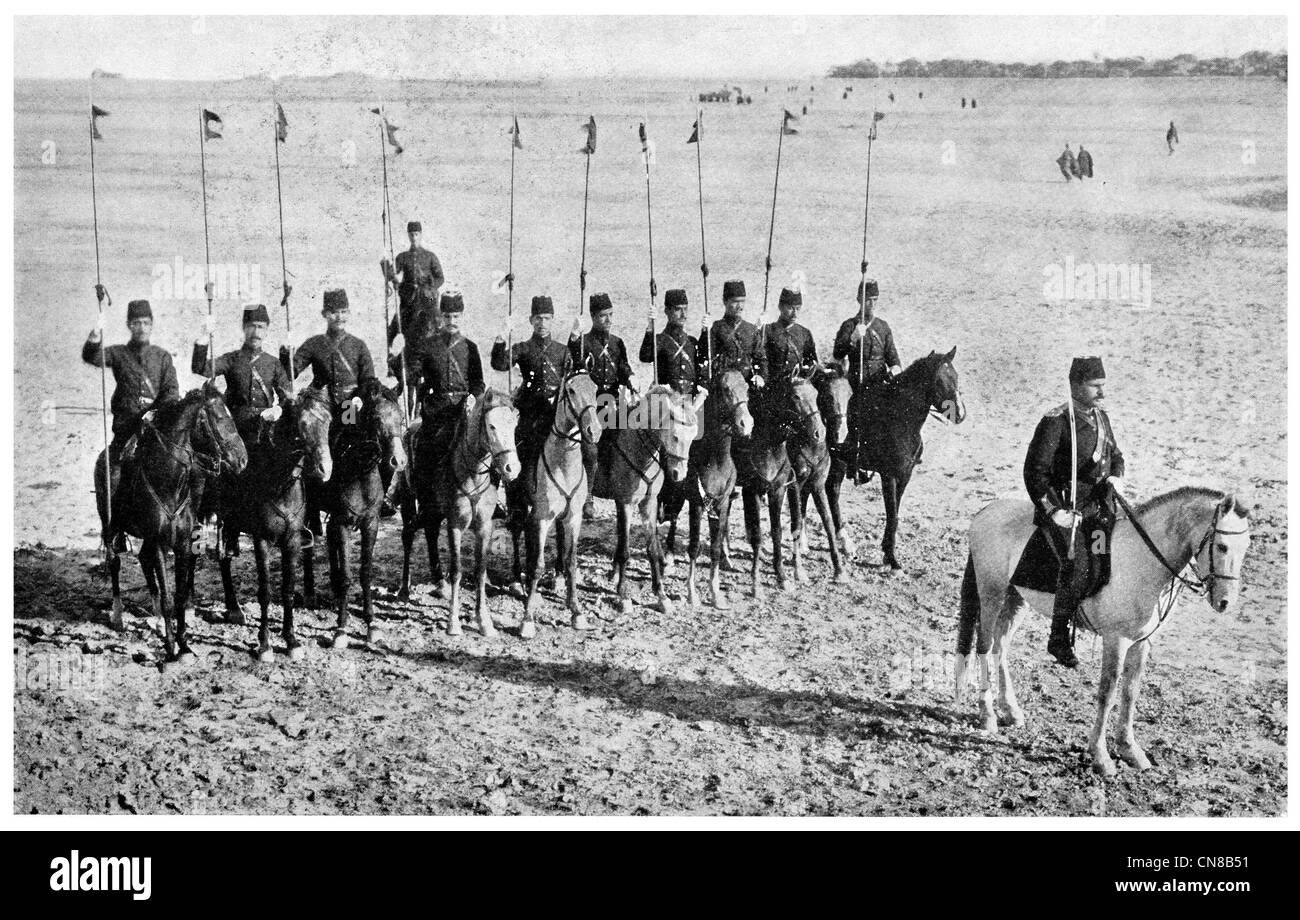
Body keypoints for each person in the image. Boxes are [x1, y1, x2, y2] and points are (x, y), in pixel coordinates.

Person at [1023, 356, 1126, 668]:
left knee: (1109, 555)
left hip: (1097, 509)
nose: (1102, 393)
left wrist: (1116, 476)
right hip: (1067, 509)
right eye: (1096, 387)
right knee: (1080, 564)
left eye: (1103, 387)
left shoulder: (1101, 417)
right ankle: (1058, 637)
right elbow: (1035, 472)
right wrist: (1054, 511)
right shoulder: (1055, 422)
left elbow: (1116, 454)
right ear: (1076, 386)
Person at [382, 289, 485, 516]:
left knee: (486, 446)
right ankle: (420, 500)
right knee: (424, 449)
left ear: (462, 316)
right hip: (437, 412)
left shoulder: (471, 347)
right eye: (447, 316)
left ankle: (491, 497)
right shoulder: (428, 346)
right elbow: (411, 376)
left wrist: (472, 397)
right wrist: (398, 356)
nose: (452, 321)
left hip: (465, 412)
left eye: (456, 316)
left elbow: (478, 383)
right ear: (441, 316)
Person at [82, 298, 180, 521]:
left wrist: (155, 412)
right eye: (136, 323)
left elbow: (172, 391)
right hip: (127, 431)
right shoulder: (118, 354)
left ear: (152, 324)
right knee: (112, 473)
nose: (141, 327)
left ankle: (191, 529)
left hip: (157, 431)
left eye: (146, 322)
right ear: (129, 325)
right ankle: (114, 527)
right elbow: (92, 357)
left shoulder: (162, 356)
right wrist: (97, 331)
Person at [492, 294, 569, 503]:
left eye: (546, 318)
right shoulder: (523, 348)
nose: (542, 323)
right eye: (538, 319)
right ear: (531, 320)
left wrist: (577, 337)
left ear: (552, 320)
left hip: (555, 416)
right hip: (530, 416)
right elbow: (499, 364)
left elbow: (575, 378)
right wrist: (501, 335)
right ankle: (516, 503)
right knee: (518, 449)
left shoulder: (563, 351)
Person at [571, 292, 636, 518]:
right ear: (592, 317)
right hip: (592, 403)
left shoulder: (618, 342)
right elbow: (575, 367)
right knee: (590, 448)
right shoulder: (583, 342)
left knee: (632, 438)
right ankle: (588, 496)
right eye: (602, 316)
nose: (608, 320)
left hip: (613, 403)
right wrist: (573, 337)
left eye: (610, 315)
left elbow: (623, 367)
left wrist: (631, 377)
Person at [192, 303, 291, 447]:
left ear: (267, 331)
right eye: (251, 326)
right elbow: (201, 368)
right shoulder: (231, 359)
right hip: (235, 432)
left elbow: (287, 395)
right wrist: (204, 336)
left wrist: (278, 409)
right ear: (244, 328)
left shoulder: (273, 363)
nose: (256, 332)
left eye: (261, 327)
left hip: (266, 430)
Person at [832, 279, 901, 478]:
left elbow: (893, 358)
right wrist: (853, 338)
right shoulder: (849, 325)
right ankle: (854, 459)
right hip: (856, 381)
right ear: (859, 300)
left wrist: (894, 370)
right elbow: (837, 353)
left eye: (874, 300)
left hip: (879, 381)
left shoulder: (883, 327)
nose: (871, 304)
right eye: (867, 300)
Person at [281, 289, 377, 412]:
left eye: (343, 312)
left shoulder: (358, 345)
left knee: (349, 426)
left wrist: (358, 398)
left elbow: (368, 379)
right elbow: (290, 373)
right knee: (309, 423)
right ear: (324, 314)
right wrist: (286, 356)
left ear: (349, 313)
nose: (339, 317)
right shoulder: (314, 343)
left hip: (349, 402)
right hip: (320, 401)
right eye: (333, 312)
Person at [754, 287, 818, 413]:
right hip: (773, 392)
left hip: (797, 393)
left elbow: (812, 361)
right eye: (790, 308)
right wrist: (757, 329)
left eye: (798, 308)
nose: (795, 313)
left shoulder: (804, 333)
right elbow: (757, 356)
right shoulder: (767, 330)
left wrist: (807, 370)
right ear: (780, 307)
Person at [382, 220, 444, 350]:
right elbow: (392, 274)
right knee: (395, 326)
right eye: (411, 234)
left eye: (416, 234)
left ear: (420, 235)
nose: (414, 237)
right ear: (408, 236)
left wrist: (431, 288)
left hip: (427, 300)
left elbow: (440, 278)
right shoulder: (403, 257)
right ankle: (392, 355)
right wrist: (385, 266)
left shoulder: (430, 256)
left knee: (438, 324)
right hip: (409, 298)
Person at [699, 279, 761, 385]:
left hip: (747, 384)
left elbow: (761, 358)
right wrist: (705, 331)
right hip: (723, 386)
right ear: (725, 301)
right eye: (735, 301)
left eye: (742, 301)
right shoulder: (716, 328)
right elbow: (704, 354)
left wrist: (760, 376)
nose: (740, 306)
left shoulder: (751, 329)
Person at [639, 289, 699, 396]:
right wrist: (650, 326)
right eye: (678, 309)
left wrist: (705, 331)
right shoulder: (660, 340)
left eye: (685, 309)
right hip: (667, 400)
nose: (683, 314)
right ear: (667, 311)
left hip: (691, 399)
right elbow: (645, 356)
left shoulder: (692, 342)